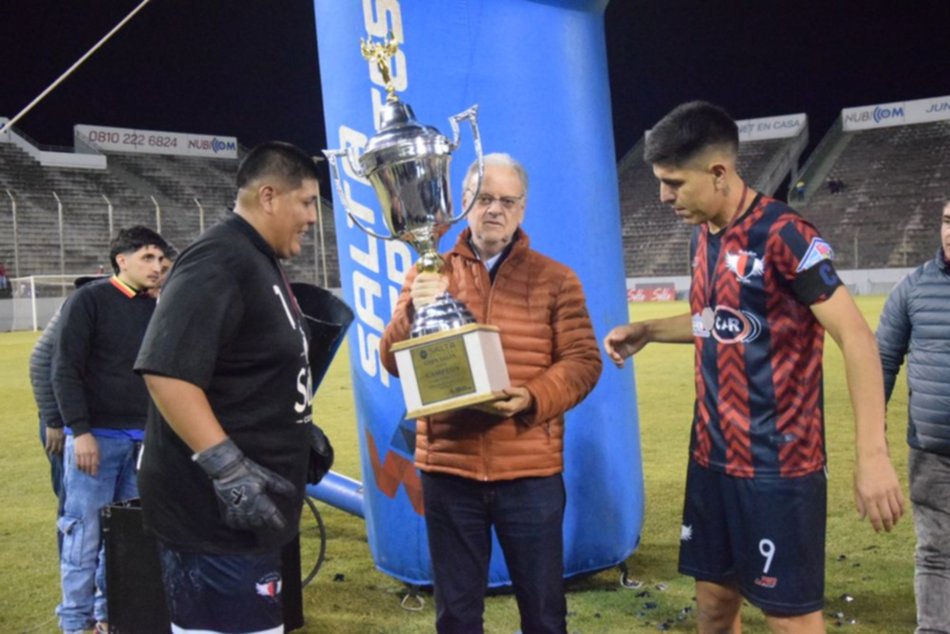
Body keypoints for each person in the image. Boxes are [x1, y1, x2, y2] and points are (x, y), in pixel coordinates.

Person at [602, 101, 904, 633]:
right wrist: (649, 330)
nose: (663, 196)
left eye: (674, 182)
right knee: (715, 607)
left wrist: (873, 454)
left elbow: (856, 337)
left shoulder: (786, 234)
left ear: (719, 173)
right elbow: (719, 320)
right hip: (712, 458)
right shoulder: (704, 235)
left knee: (790, 621)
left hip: (779, 467)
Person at [380, 152, 602, 634]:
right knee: (457, 616)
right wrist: (413, 313)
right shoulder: (428, 270)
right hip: (449, 469)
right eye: (483, 199)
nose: (494, 210)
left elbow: (584, 362)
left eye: (507, 200)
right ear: (463, 204)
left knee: (544, 614)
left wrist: (532, 396)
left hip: (530, 471)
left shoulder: (556, 278)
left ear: (522, 209)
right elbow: (392, 361)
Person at [135, 141, 323, 633]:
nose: (313, 218)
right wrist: (228, 468)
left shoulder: (258, 259)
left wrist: (298, 427)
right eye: (306, 202)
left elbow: (248, 368)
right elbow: (168, 372)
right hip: (211, 517)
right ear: (268, 197)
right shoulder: (219, 257)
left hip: (252, 514)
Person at [51, 226, 170, 634]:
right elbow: (65, 369)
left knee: (124, 541)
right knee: (83, 537)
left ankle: (107, 616)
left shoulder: (158, 306)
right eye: (148, 259)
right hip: (96, 440)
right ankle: (74, 623)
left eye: (161, 260)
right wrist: (79, 431)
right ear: (122, 260)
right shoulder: (89, 300)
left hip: (143, 442)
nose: (158, 268)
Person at [876, 200, 950, 634]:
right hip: (931, 446)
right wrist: (874, 432)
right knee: (936, 548)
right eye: (946, 221)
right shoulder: (913, 287)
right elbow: (881, 360)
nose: (949, 232)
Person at [29, 274, 110, 557]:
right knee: (75, 507)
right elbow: (41, 360)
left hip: (102, 424)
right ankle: (75, 586)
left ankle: (106, 583)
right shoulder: (85, 301)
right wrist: (54, 420)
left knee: (106, 507)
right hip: (68, 422)